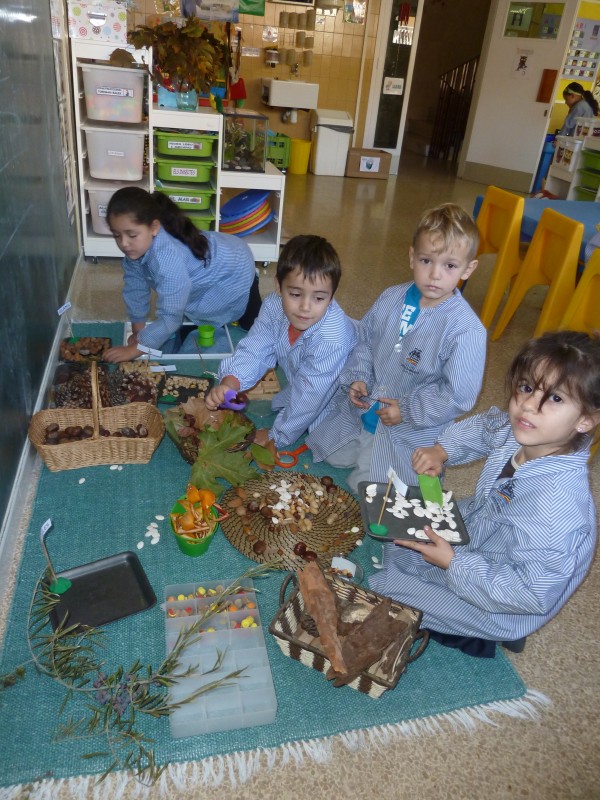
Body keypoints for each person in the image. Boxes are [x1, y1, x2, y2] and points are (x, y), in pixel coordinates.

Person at [369, 331, 600, 656]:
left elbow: (531, 592)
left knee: (386, 590)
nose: (528, 406)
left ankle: (483, 636)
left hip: (506, 599)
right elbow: (483, 429)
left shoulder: (556, 507)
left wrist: (454, 563)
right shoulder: (525, 429)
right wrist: (442, 450)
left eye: (556, 399)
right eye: (526, 387)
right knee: (396, 528)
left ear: (586, 420)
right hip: (482, 530)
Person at [306, 203, 486, 491]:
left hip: (409, 431)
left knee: (371, 491)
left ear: (468, 269)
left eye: (449, 266)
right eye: (426, 261)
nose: (435, 274)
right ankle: (363, 441)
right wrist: (359, 377)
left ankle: (401, 472)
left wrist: (407, 409)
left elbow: (458, 396)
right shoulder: (391, 297)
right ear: (412, 257)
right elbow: (365, 340)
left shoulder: (466, 330)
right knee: (324, 448)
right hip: (365, 413)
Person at [204, 235, 357, 449]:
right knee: (296, 397)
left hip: (342, 397)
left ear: (331, 296)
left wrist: (277, 435)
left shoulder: (333, 339)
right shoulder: (274, 306)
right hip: (306, 382)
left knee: (333, 448)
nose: (305, 307)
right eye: (295, 294)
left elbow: (310, 395)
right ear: (278, 285)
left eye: (319, 298)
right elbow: (255, 348)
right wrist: (231, 382)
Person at [103, 187, 260, 363]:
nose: (124, 243)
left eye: (132, 235)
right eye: (117, 235)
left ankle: (253, 289)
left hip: (235, 266)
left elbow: (171, 318)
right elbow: (135, 289)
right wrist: (138, 332)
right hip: (217, 259)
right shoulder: (136, 249)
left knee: (253, 324)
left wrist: (134, 350)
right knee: (186, 322)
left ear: (154, 227)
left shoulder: (167, 260)